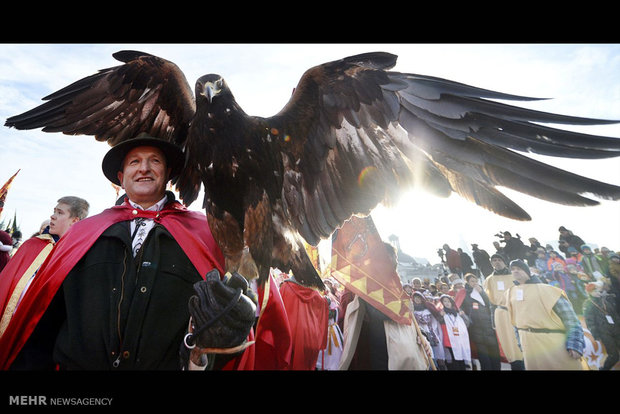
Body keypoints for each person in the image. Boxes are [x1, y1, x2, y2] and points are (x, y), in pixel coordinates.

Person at [0, 135, 256, 371]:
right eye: (135, 162)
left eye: (154, 161)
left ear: (167, 173)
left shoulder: (206, 233)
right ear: (121, 177)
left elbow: (226, 323)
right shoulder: (83, 233)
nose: (143, 168)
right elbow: (45, 317)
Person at [0, 196, 89, 338]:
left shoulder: (79, 256)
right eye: (54, 211)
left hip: (43, 334)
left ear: (74, 221)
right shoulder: (32, 245)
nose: (52, 216)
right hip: (12, 322)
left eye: (60, 213)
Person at [339, 242, 432, 370]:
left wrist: (421, 337)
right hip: (377, 355)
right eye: (387, 264)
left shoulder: (396, 288)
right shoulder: (363, 286)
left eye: (394, 266)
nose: (392, 271)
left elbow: (409, 320)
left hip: (404, 355)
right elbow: (379, 312)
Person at [506, 259, 586, 370]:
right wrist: (521, 344)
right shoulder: (510, 293)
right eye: (513, 269)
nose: (515, 271)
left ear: (527, 271)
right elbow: (515, 322)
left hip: (554, 344)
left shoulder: (549, 290)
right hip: (529, 347)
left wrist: (575, 344)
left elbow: (571, 320)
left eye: (519, 269)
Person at [483, 253, 525, 370]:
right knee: (507, 342)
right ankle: (515, 365)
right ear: (491, 264)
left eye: (499, 260)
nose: (497, 262)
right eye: (494, 260)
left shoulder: (513, 275)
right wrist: (493, 320)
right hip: (500, 313)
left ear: (504, 261)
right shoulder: (489, 279)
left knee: (521, 338)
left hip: (516, 310)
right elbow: (490, 302)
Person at [458, 273, 501, 370]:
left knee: (495, 355)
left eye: (476, 281)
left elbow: (490, 304)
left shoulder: (483, 291)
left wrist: (482, 292)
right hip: (476, 328)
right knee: (484, 358)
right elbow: (460, 306)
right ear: (467, 282)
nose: (475, 283)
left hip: (488, 326)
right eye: (472, 281)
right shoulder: (464, 293)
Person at [582, 281, 620, 370]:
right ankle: (604, 368)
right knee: (614, 356)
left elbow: (614, 314)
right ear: (590, 293)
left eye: (599, 290)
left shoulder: (604, 300)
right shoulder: (588, 304)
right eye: (595, 291)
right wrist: (596, 335)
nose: (598, 292)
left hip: (616, 329)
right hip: (604, 333)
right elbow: (589, 321)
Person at [412, 291, 446, 369]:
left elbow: (433, 320)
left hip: (430, 333)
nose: (417, 300)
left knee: (433, 352)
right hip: (419, 334)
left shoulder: (427, 309)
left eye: (419, 298)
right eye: (415, 298)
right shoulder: (413, 310)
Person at [438, 294, 471, 370]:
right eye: (444, 301)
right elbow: (440, 322)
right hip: (449, 340)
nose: (447, 303)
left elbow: (467, 323)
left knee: (461, 356)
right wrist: (441, 316)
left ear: (452, 302)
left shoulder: (458, 312)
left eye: (448, 301)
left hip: (459, 339)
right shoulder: (442, 313)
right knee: (454, 357)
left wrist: (463, 315)